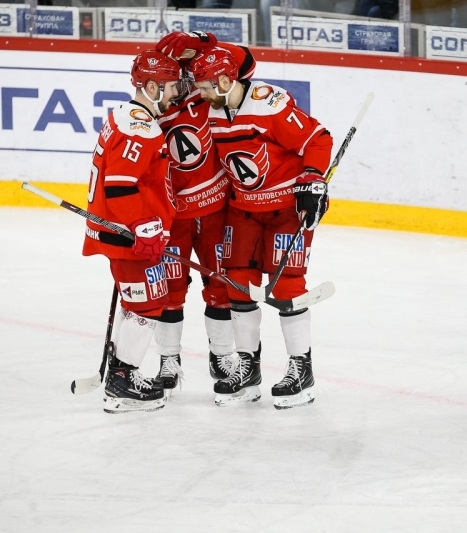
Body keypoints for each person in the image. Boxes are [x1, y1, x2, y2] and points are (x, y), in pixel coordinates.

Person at [188, 46, 334, 408]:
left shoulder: (267, 104)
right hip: (244, 210)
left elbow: (318, 139)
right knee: (237, 283)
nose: (201, 93)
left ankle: (302, 372)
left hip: (286, 208)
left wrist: (313, 180)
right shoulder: (211, 111)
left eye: (206, 86)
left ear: (225, 80)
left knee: (286, 288)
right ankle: (248, 370)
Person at [151, 31, 257, 395]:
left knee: (221, 286)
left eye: (182, 75)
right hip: (175, 218)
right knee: (170, 289)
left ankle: (222, 355)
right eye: (171, 78)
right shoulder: (149, 113)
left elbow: (245, 60)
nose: (180, 85)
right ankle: (168, 357)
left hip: (217, 212)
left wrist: (204, 41)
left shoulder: (205, 92)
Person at [82, 50, 181, 413]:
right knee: (149, 302)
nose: (175, 94)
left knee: (136, 301)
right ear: (152, 86)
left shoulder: (124, 115)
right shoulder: (141, 126)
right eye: (170, 87)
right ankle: (123, 382)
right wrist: (144, 228)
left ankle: (121, 373)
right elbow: (120, 185)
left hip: (123, 231)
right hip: (128, 234)